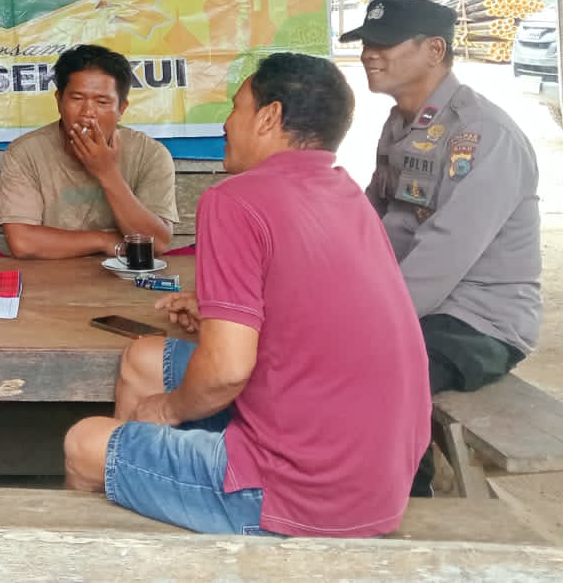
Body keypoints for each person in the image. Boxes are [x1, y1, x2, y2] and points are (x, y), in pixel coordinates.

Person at [64, 53, 429, 537]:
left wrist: (167, 408)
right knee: (143, 359)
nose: (226, 122)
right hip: (377, 476)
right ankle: (152, 494)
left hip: (300, 492)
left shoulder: (234, 200)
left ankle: (108, 545)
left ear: (268, 117)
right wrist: (222, 316)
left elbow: (227, 370)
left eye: (236, 107)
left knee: (84, 444)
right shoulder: (345, 193)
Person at [340, 0, 542, 495]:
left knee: (377, 369)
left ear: (434, 50)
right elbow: (371, 220)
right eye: (365, 43)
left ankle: (408, 501)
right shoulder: (402, 123)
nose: (369, 54)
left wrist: (366, 317)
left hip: (477, 321)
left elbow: (444, 254)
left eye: (385, 43)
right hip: (416, 306)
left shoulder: (483, 134)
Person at [0, 44, 176, 259]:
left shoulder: (150, 154)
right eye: (77, 98)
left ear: (122, 108)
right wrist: (104, 240)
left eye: (102, 102)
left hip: (124, 272)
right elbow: (23, 242)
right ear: (59, 101)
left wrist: (107, 173)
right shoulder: (25, 152)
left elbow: (157, 244)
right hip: (48, 269)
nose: (88, 113)